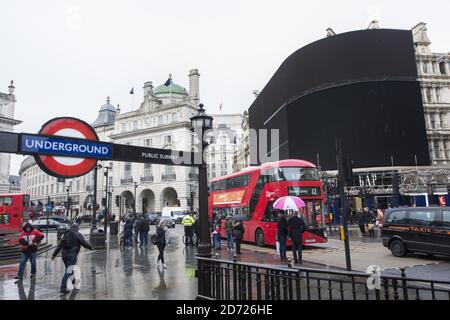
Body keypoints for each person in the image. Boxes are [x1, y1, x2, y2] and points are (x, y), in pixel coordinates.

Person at [51, 223, 93, 294]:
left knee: (69, 268)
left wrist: (54, 255)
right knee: (68, 271)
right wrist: (91, 247)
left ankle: (74, 282)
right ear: (77, 228)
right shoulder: (78, 234)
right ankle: (63, 288)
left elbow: (59, 246)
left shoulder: (66, 234)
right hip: (72, 255)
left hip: (64, 255)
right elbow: (84, 243)